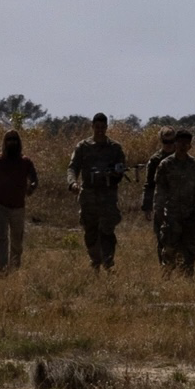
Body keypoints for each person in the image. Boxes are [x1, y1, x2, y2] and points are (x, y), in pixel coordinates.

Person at [67, 113, 126, 271]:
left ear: (107, 127)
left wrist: (114, 173)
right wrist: (72, 183)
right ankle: (95, 261)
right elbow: (73, 167)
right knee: (91, 230)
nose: (100, 130)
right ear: (92, 127)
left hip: (108, 195)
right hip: (88, 195)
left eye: (103, 127)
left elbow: (121, 169)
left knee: (107, 229)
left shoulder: (115, 148)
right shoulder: (83, 147)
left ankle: (108, 261)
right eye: (97, 127)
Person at [0, 129, 39, 275]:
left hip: (18, 207)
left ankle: (15, 270)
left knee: (17, 241)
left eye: (15, 140)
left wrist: (32, 187)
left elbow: (34, 179)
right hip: (0, 207)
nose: (12, 142)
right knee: (2, 237)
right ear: (4, 142)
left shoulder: (25, 162)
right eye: (9, 140)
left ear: (19, 143)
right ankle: (2, 270)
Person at [154, 128, 195, 276]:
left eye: (187, 143)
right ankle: (167, 279)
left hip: (190, 215)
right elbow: (160, 190)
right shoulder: (166, 165)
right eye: (180, 142)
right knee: (169, 249)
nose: (183, 146)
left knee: (190, 251)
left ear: (190, 146)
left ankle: (187, 280)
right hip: (171, 214)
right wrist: (158, 211)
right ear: (175, 144)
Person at [142, 126, 177, 264]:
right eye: (165, 141)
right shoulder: (155, 160)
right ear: (161, 141)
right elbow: (149, 184)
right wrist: (147, 206)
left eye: (171, 141)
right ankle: (165, 268)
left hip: (181, 204)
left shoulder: (182, 157)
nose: (168, 145)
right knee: (162, 238)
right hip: (161, 205)